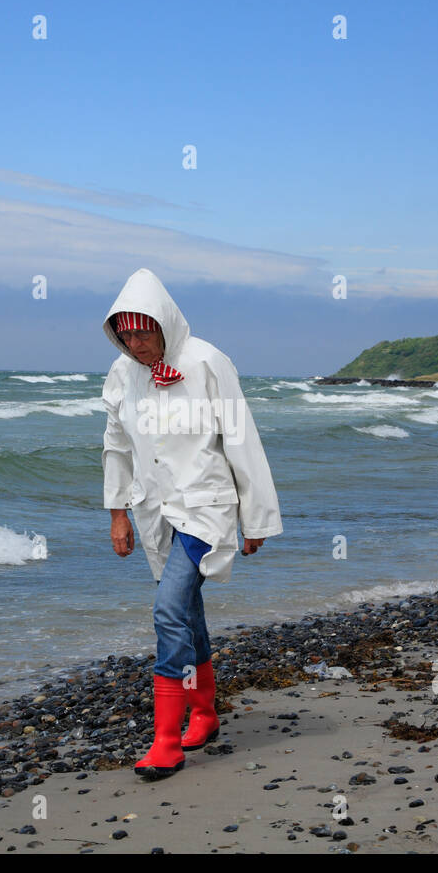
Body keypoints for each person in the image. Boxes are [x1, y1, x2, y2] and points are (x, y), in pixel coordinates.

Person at [101, 268, 283, 780]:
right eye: (126, 333)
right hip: (154, 510)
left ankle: (165, 742)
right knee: (186, 610)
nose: (136, 344)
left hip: (206, 508)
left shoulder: (206, 361)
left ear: (164, 325)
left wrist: (257, 516)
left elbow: (240, 437)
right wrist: (118, 513)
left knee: (167, 610)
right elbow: (116, 445)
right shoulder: (120, 375)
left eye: (144, 331)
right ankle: (203, 713)